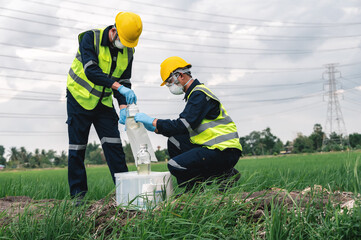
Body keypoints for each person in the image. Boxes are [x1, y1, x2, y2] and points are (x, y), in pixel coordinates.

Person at [134, 56, 242, 191]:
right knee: (175, 140)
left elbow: (183, 125)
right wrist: (156, 128)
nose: (169, 86)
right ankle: (196, 189)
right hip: (216, 148)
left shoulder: (199, 95)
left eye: (169, 82)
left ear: (180, 75)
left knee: (175, 165)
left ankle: (221, 175)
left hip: (224, 151)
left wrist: (154, 121)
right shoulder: (194, 94)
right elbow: (182, 129)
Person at [66, 12, 142, 199]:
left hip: (103, 102)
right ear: (114, 30)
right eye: (122, 40)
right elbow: (91, 71)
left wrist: (123, 106)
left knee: (114, 147)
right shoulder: (90, 39)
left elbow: (124, 80)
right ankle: (78, 198)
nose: (124, 45)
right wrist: (119, 88)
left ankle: (126, 195)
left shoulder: (128, 51)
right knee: (77, 150)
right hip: (79, 98)